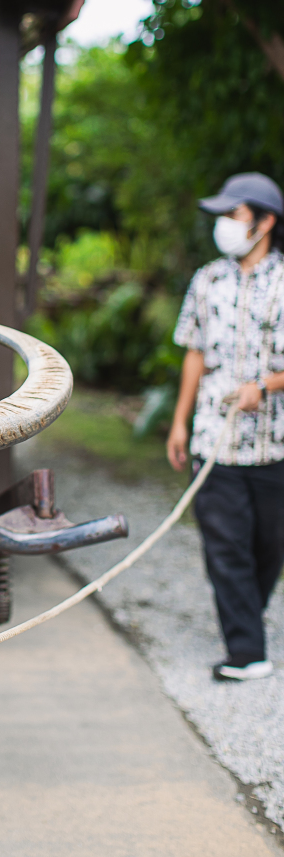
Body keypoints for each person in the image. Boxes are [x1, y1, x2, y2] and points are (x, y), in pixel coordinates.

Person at [167, 172, 284, 682]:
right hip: (214, 439)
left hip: (273, 446)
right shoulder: (207, 280)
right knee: (225, 547)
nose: (225, 226)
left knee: (266, 547)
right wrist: (179, 422)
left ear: (265, 222)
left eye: (233, 216)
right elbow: (194, 352)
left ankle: (246, 625)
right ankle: (246, 653)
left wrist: (268, 385)